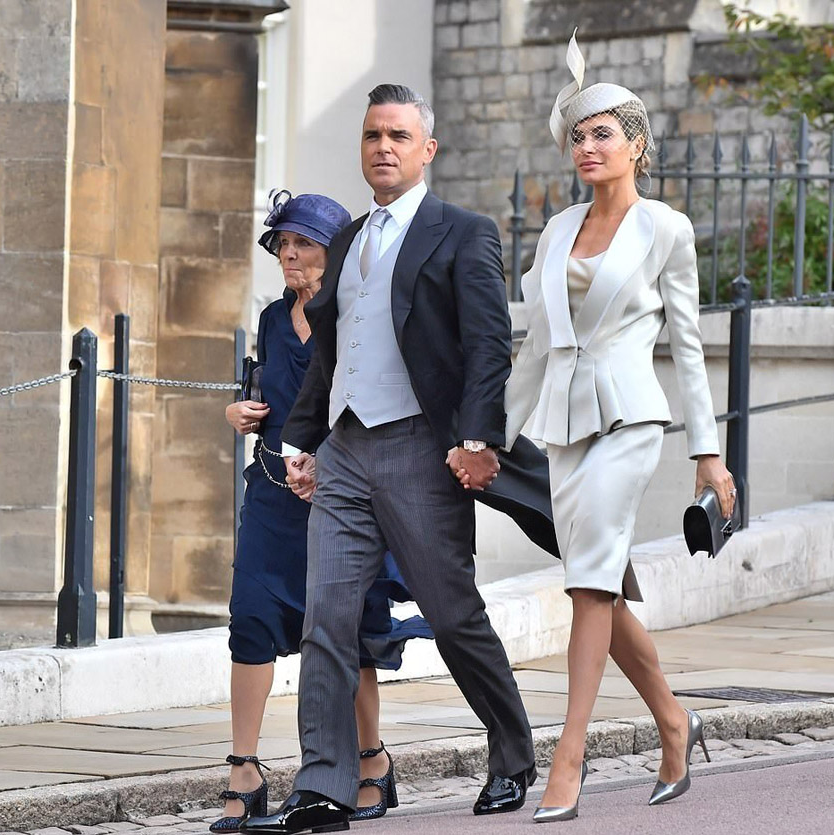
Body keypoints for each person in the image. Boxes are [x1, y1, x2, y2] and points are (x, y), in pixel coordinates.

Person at [241, 84, 537, 835]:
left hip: (420, 447)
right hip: (344, 449)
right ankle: (323, 786)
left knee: (452, 612)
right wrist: (302, 441)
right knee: (326, 619)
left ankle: (512, 752)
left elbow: (489, 346)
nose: (383, 147)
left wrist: (478, 438)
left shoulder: (463, 232)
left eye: (399, 136)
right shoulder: (345, 242)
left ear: (426, 149)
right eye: (374, 135)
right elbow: (330, 353)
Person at [503, 32, 736, 823]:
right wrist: (489, 436)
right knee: (597, 584)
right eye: (578, 135)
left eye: (603, 133)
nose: (587, 146)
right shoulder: (555, 230)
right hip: (563, 431)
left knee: (588, 586)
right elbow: (537, 346)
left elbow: (689, 347)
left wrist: (708, 452)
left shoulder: (666, 228)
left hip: (632, 420)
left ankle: (568, 757)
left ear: (636, 144)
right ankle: (674, 720)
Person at [212, 190, 431, 833]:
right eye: (282, 243)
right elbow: (265, 396)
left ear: (333, 253)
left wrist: (333, 467)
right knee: (250, 619)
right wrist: (238, 411)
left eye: (303, 243)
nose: (289, 254)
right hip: (272, 495)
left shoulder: (358, 314)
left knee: (350, 630)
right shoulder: (272, 319)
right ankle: (245, 771)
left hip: (346, 495)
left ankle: (371, 761)